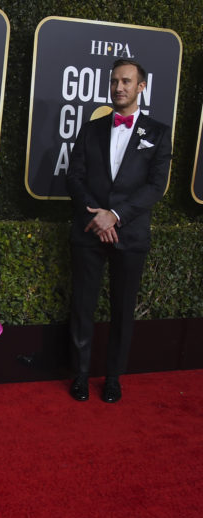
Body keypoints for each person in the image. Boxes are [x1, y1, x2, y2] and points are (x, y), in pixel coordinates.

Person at [65, 58, 172, 403]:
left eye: (126, 81)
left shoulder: (157, 133)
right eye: (114, 81)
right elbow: (74, 177)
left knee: (123, 311)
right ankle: (80, 376)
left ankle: (113, 378)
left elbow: (156, 187)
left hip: (130, 234)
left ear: (141, 87)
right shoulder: (91, 128)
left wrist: (115, 215)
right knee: (82, 306)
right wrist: (98, 217)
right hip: (89, 230)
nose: (118, 87)